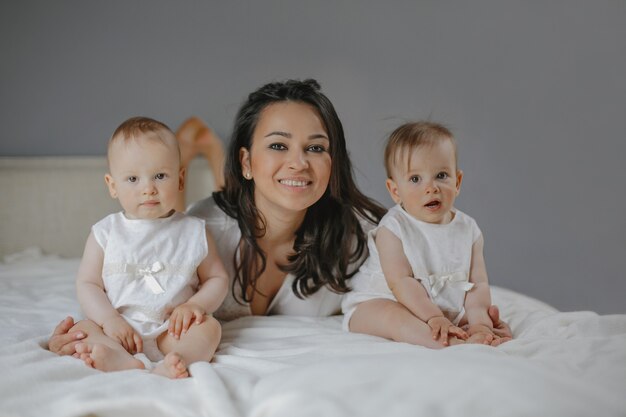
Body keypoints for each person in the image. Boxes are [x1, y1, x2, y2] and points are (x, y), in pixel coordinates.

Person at [47, 80, 512, 356]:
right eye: (278, 146)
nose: (299, 163)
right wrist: (92, 333)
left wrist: (463, 324)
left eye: (316, 148)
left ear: (332, 163)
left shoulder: (358, 238)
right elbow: (129, 286)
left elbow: (400, 291)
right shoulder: (197, 230)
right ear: (246, 163)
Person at [69, 116, 229, 378]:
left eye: (160, 176)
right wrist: (109, 320)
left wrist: (196, 305)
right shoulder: (105, 233)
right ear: (112, 186)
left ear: (179, 179)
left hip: (173, 330)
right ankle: (121, 358)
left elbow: (217, 278)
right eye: (132, 179)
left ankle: (179, 359)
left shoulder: (194, 230)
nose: (148, 189)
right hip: (120, 328)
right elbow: (88, 284)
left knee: (210, 328)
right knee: (83, 329)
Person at [343, 121, 511, 348]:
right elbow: (400, 282)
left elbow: (477, 284)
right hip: (384, 300)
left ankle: (479, 335)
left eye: (441, 175)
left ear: (457, 181)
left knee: (479, 317)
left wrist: (480, 321)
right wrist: (434, 317)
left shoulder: (468, 229)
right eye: (415, 179)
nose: (431, 188)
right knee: (393, 318)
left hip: (442, 304)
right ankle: (448, 343)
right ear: (395, 191)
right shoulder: (392, 228)